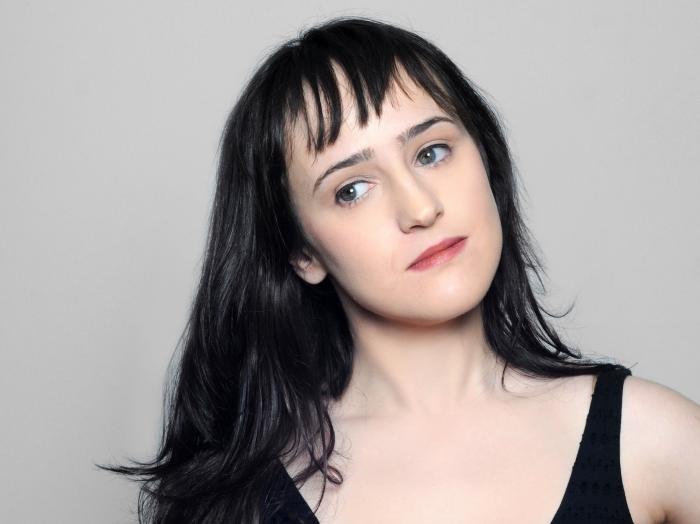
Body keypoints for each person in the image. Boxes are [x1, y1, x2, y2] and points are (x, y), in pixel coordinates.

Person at [104, 16, 700, 524]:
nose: (420, 208)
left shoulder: (653, 442)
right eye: (352, 189)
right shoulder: (243, 499)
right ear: (301, 253)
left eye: (431, 152)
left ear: (486, 160)